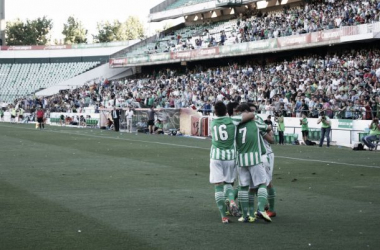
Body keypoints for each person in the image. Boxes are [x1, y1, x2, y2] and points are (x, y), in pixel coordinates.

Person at [209, 101, 254, 224]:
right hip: (230, 157)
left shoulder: (212, 122)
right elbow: (250, 115)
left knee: (218, 186)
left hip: (216, 157)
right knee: (228, 183)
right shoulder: (233, 120)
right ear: (226, 111)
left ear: (215, 112)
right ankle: (231, 200)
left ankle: (223, 216)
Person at [235, 103, 272, 223]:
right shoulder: (255, 122)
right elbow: (268, 128)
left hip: (240, 159)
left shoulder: (234, 124)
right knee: (262, 183)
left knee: (243, 187)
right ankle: (261, 209)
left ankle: (245, 215)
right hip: (255, 158)